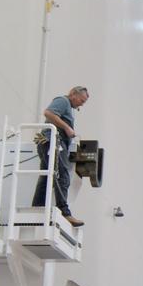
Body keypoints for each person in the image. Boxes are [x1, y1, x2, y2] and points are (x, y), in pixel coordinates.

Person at [31, 86, 89, 228]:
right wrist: (67, 128)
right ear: (73, 94)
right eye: (81, 100)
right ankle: (65, 211)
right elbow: (48, 113)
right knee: (62, 175)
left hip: (50, 143)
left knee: (46, 176)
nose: (82, 104)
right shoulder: (63, 101)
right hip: (52, 142)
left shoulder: (68, 107)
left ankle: (36, 208)